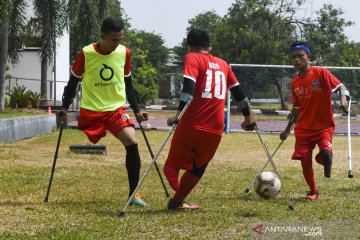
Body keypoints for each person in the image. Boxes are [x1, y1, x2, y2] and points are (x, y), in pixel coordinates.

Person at [58, 16, 148, 206]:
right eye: (114, 39)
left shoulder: (125, 53)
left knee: (132, 141)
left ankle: (133, 194)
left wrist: (137, 108)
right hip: (92, 111)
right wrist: (65, 106)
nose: (117, 43)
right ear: (102, 36)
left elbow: (128, 83)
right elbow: (73, 81)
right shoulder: (87, 53)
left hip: (115, 109)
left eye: (121, 39)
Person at [163, 29, 255, 210]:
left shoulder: (192, 58)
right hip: (215, 127)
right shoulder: (224, 64)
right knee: (199, 167)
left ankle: (175, 187)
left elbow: (189, 87)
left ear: (189, 47)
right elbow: (239, 93)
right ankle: (177, 200)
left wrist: (177, 115)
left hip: (191, 123)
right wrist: (247, 118)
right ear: (209, 47)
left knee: (172, 165)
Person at [280, 42, 350, 200]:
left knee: (325, 150)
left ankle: (327, 161)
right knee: (305, 160)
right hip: (303, 129)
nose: (297, 60)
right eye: (293, 57)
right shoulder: (295, 82)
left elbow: (341, 86)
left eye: (300, 56)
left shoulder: (320, 72)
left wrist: (343, 100)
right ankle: (313, 191)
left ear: (308, 57)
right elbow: (296, 109)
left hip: (323, 126)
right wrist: (286, 130)